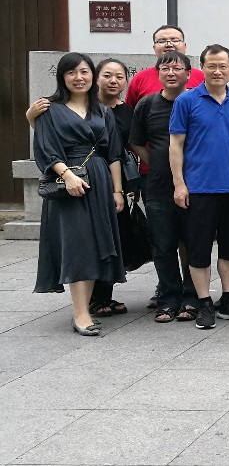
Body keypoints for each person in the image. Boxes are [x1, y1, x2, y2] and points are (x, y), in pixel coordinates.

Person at [33, 52, 126, 336]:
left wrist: (118, 190)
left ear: (92, 76)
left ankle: (84, 307)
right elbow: (45, 148)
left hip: (98, 179)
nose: (79, 77)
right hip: (67, 183)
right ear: (62, 77)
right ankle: (80, 313)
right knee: (77, 244)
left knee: (94, 245)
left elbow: (113, 154)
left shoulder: (103, 112)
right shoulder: (49, 109)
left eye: (84, 72)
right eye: (72, 72)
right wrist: (67, 175)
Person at [169, 44, 229, 330]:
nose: (217, 71)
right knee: (199, 248)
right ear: (201, 68)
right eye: (211, 66)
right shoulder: (186, 100)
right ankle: (204, 302)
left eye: (223, 66)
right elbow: (175, 145)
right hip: (198, 188)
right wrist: (179, 184)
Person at [130, 51, 197, 323]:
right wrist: (157, 163)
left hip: (195, 186)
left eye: (177, 68)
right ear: (157, 73)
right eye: (165, 68)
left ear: (188, 74)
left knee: (193, 243)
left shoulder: (196, 101)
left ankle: (192, 296)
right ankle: (169, 298)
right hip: (157, 187)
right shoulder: (147, 104)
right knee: (163, 243)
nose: (171, 73)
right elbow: (136, 142)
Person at [89, 58, 135, 318]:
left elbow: (133, 146)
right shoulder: (84, 108)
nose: (113, 81)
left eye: (119, 76)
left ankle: (103, 294)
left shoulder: (128, 111)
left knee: (114, 237)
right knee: (93, 238)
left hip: (119, 181)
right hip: (89, 177)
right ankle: (93, 297)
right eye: (107, 75)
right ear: (96, 78)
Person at [123, 24, 204, 108]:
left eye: (175, 40)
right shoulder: (140, 78)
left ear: (184, 46)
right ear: (154, 48)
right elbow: (129, 111)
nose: (169, 44)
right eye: (161, 41)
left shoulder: (201, 77)